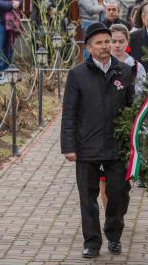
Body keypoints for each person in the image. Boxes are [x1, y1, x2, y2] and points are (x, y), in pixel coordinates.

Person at [60, 22, 134, 259]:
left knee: (119, 193)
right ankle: (92, 242)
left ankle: (113, 234)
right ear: (89, 48)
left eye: (108, 41)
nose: (105, 46)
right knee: (88, 197)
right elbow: (69, 113)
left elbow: (132, 109)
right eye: (99, 43)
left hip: (117, 147)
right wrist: (68, 147)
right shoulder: (77, 75)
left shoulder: (124, 71)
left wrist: (134, 142)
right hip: (87, 147)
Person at [110, 24, 146, 95]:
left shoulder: (137, 67)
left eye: (121, 41)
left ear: (127, 41)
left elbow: (141, 92)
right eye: (113, 41)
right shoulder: (101, 64)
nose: (117, 45)